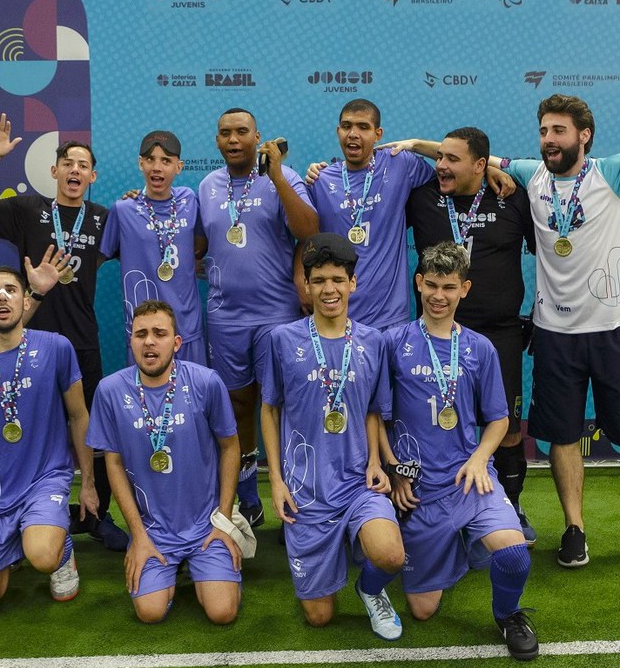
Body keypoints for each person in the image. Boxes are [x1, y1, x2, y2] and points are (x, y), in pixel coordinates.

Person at [489, 50, 620, 577]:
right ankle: (574, 528)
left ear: (584, 135)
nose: (548, 139)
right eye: (543, 130)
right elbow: (465, 159)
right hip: (555, 335)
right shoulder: (528, 174)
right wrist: (411, 147)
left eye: (558, 130)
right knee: (561, 437)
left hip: (613, 332)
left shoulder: (616, 173)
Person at [0, 113, 128, 551]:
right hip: (26, 342)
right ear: (54, 171)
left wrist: (136, 205)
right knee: (26, 426)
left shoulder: (106, 219)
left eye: (83, 165)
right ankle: (23, 513)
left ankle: (95, 514)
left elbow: (149, 245)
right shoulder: (27, 209)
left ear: (92, 175)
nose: (74, 171)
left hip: (81, 342)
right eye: (67, 163)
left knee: (92, 430)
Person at [379, 242, 537, 661]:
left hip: (470, 478)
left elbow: (499, 420)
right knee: (423, 610)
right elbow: (375, 416)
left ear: (464, 289)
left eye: (449, 287)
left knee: (515, 553)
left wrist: (480, 456)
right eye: (431, 285)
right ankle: (458, 547)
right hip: (420, 488)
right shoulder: (393, 343)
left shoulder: (480, 348)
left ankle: (508, 614)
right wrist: (394, 471)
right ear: (418, 283)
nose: (438, 296)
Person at [261, 233, 406, 639]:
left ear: (352, 283)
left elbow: (374, 411)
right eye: (320, 280)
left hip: (358, 483)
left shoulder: (373, 341)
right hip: (306, 492)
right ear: (306, 285)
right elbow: (269, 410)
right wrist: (275, 480)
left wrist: (377, 462)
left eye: (338, 280)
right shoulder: (282, 340)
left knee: (392, 555)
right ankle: (326, 563)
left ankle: (369, 587)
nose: (329, 289)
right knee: (319, 617)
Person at [400, 127, 537, 545]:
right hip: (435, 335)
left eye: (452, 160)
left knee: (508, 427)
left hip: (499, 333)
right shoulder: (421, 196)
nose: (441, 165)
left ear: (481, 166)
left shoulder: (511, 197)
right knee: (431, 420)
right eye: (439, 157)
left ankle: (508, 505)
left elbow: (549, 253)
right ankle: (427, 501)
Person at [0, 266, 99, 617]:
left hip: (46, 479)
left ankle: (60, 551)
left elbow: (78, 415)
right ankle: (15, 540)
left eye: (11, 289)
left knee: (42, 555)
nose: (2, 296)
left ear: (25, 301)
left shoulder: (56, 347)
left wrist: (87, 481)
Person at [86, 300, 243, 624]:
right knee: (150, 612)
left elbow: (230, 447)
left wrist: (224, 522)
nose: (149, 341)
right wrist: (138, 536)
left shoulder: (206, 382)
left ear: (176, 342)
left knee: (222, 612)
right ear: (131, 340)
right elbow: (113, 464)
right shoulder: (110, 391)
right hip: (153, 529)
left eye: (159, 333)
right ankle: (169, 573)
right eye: (141, 333)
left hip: (206, 525)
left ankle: (205, 571)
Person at [198, 107, 319, 527]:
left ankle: (296, 495)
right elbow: (197, 240)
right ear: (217, 141)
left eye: (242, 132)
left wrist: (279, 177)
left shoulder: (285, 177)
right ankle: (248, 497)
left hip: (277, 316)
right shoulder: (207, 185)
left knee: (282, 404)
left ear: (258, 136)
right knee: (238, 403)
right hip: (224, 316)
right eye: (225, 133)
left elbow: (308, 229)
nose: (233, 140)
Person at [304, 99, 436, 330]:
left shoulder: (400, 163)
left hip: (390, 317)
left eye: (363, 127)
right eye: (346, 126)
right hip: (337, 315)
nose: (353, 134)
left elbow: (456, 162)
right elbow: (302, 237)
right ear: (338, 132)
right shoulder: (320, 180)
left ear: (378, 134)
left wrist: (414, 144)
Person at [101, 130, 206, 365]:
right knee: (145, 399)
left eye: (166, 161)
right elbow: (98, 258)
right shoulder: (123, 209)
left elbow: (201, 245)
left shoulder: (189, 200)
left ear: (179, 167)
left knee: (193, 398)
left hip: (186, 327)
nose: (157, 167)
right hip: (143, 333)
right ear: (140, 163)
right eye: (150, 160)